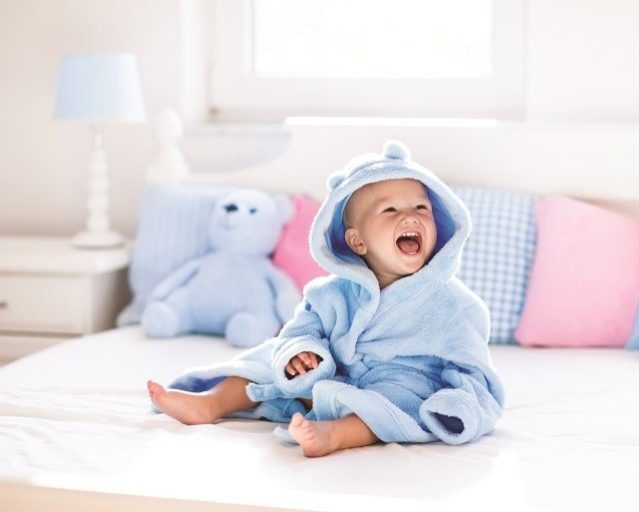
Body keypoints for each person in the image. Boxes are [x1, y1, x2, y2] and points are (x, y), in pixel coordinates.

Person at [148, 141, 505, 457]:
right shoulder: (330, 292)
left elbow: (473, 371)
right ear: (357, 241)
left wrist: (459, 404)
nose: (410, 216)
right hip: (327, 377)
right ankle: (211, 403)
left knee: (395, 404)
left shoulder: (454, 305)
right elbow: (300, 331)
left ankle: (334, 435)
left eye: (421, 208)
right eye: (390, 210)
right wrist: (302, 354)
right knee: (267, 357)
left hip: (394, 388)